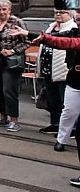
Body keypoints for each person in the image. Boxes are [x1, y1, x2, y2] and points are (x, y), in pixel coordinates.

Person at [9, 26, 80, 164]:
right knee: (69, 111)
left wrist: (43, 38)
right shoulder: (73, 31)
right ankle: (61, 139)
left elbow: (71, 43)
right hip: (75, 81)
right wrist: (31, 33)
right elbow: (58, 37)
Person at [0, 0, 29, 131]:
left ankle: (14, 120)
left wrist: (13, 51)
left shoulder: (17, 22)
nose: (1, 12)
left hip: (11, 64)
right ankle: (3, 118)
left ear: (10, 10)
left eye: (4, 9)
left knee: (9, 91)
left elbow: (27, 42)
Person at [37, 10, 77, 135]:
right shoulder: (51, 26)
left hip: (63, 70)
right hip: (49, 69)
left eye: (62, 12)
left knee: (66, 102)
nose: (58, 14)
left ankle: (72, 129)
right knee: (52, 99)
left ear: (70, 15)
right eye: (56, 12)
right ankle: (55, 124)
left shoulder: (72, 28)